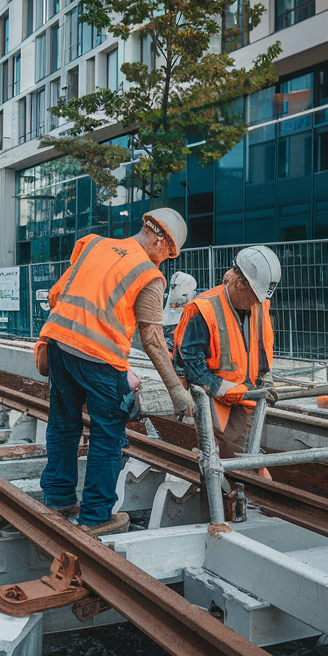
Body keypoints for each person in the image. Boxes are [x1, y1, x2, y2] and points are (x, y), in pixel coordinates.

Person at [36, 208, 196, 535]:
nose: (165, 260)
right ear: (159, 238)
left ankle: (58, 498)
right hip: (98, 360)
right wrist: (177, 391)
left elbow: (57, 295)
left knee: (64, 423)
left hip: (59, 345)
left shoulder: (92, 245)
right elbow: (152, 340)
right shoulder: (149, 275)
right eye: (168, 252)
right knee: (108, 436)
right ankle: (96, 517)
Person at [174, 246, 280, 456]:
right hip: (213, 402)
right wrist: (220, 387)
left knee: (241, 461)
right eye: (255, 295)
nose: (258, 302)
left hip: (246, 398)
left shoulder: (260, 305)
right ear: (241, 283)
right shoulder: (204, 309)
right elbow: (189, 362)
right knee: (221, 462)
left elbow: (262, 347)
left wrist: (265, 379)